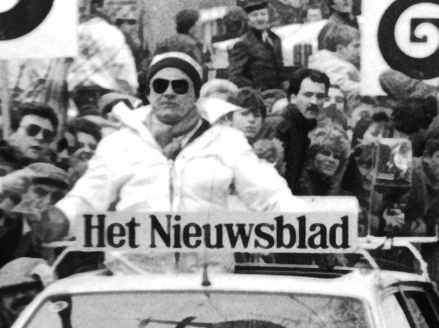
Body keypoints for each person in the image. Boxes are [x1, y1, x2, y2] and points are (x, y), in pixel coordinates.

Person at [53, 52, 295, 226]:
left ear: (195, 95)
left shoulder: (227, 141)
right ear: (149, 93)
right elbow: (86, 198)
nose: (168, 92)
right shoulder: (119, 143)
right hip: (135, 282)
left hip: (205, 283)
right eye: (160, 85)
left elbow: (270, 195)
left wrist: (311, 229)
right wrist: (56, 218)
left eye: (179, 86)